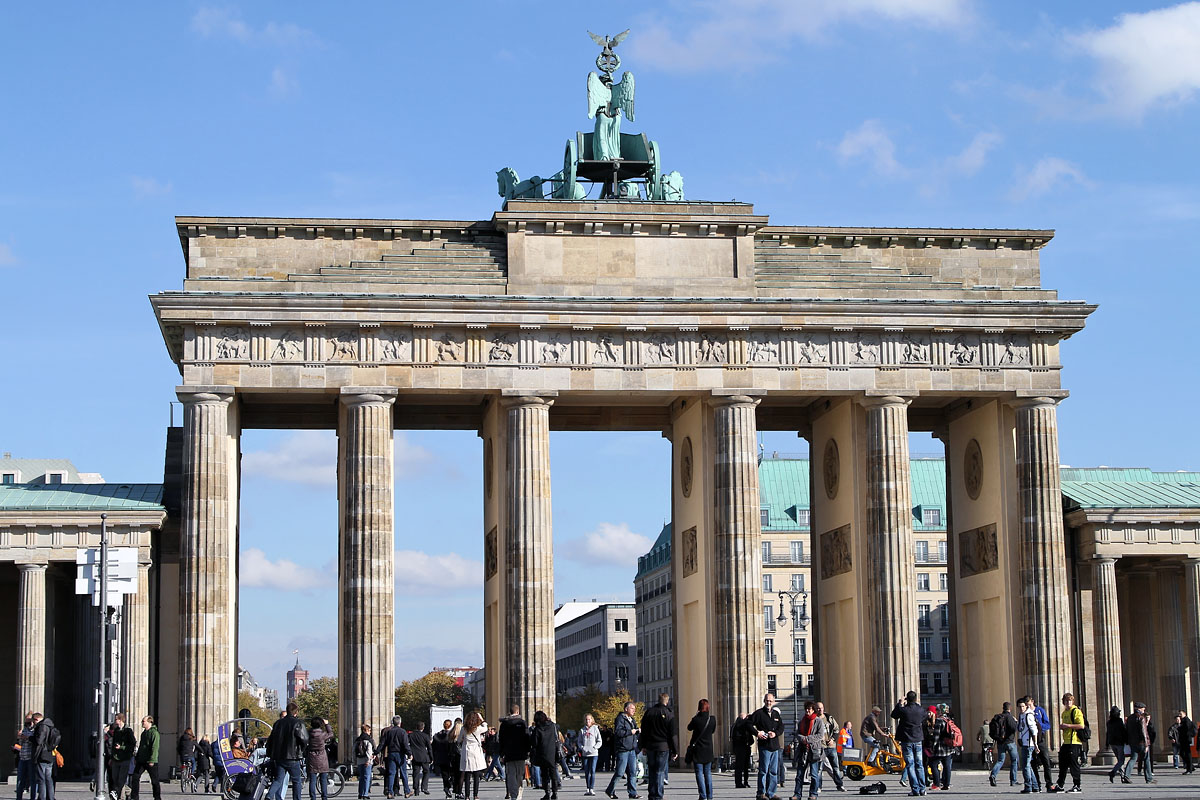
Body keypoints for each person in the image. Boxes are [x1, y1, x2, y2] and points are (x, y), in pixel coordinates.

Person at [268, 703, 310, 800]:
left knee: (278, 779)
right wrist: (301, 750)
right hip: (293, 756)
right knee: (296, 780)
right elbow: (304, 738)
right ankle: (297, 798)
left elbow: (271, 739)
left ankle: (269, 795)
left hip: (279, 756)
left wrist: (271, 753)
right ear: (296, 712)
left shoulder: (278, 723)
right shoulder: (298, 723)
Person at [641, 694, 677, 800]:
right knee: (660, 771)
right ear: (667, 701)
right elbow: (672, 734)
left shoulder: (649, 712)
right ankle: (658, 794)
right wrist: (675, 750)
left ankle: (652, 794)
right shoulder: (669, 714)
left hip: (651, 746)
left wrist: (643, 745)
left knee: (652, 770)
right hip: (663, 746)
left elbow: (644, 730)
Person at [891, 691, 926, 798]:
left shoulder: (904, 710)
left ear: (907, 699)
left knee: (910, 765)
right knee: (919, 765)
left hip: (907, 740)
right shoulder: (920, 710)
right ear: (915, 699)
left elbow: (893, 715)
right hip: (918, 739)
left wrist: (899, 704)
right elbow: (924, 717)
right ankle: (922, 789)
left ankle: (915, 789)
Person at [750, 694, 785, 800]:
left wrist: (775, 733)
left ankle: (771, 792)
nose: (768, 703)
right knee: (763, 770)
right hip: (764, 746)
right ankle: (761, 793)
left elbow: (781, 727)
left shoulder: (775, 714)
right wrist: (757, 733)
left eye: (770, 701)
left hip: (775, 746)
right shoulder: (759, 713)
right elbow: (748, 724)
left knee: (774, 771)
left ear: (773, 701)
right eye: (767, 701)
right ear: (764, 701)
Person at [1048, 692, 1083, 794]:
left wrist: (1068, 726)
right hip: (1066, 741)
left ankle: (1077, 785)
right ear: (1063, 702)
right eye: (1066, 701)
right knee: (1062, 764)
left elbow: (1081, 726)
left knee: (1074, 764)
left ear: (1073, 701)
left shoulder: (1076, 711)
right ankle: (1060, 784)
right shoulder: (1064, 713)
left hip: (1074, 742)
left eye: (1070, 701)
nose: (1068, 703)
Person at [603, 702, 640, 800]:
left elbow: (634, 731)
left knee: (632, 772)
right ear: (626, 709)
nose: (634, 710)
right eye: (632, 708)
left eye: (634, 708)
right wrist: (629, 732)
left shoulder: (632, 720)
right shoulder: (620, 719)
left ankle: (633, 793)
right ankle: (610, 790)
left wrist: (637, 731)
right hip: (623, 749)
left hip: (631, 749)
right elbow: (618, 732)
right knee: (620, 772)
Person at [791, 700, 826, 800]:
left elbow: (820, 735)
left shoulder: (818, 721)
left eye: (809, 709)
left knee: (814, 775)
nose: (807, 710)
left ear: (813, 710)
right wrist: (801, 738)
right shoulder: (803, 720)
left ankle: (813, 794)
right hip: (803, 750)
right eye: (806, 709)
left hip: (814, 751)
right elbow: (797, 733)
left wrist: (807, 739)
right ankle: (797, 794)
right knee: (799, 775)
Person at [498, 706, 530, 800]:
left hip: (509, 753)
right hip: (521, 753)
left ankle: (513, 794)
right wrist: (527, 751)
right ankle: (519, 792)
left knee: (511, 775)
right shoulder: (522, 723)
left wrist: (501, 753)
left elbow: (501, 739)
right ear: (518, 711)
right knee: (519, 774)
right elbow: (527, 737)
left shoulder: (504, 724)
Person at [686, 700, 715, 800]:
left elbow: (689, 728)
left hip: (698, 750)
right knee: (708, 773)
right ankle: (710, 795)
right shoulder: (712, 719)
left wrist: (696, 715)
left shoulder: (696, 719)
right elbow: (713, 730)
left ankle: (703, 795)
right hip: (708, 750)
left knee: (699, 773)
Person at [813, 701, 844, 794]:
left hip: (831, 746)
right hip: (820, 747)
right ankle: (819, 787)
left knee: (835, 767)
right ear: (815, 709)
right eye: (818, 708)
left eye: (821, 708)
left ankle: (840, 785)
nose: (820, 710)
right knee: (819, 769)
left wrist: (833, 739)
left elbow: (836, 729)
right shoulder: (814, 719)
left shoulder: (829, 718)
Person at [380, 716, 413, 799]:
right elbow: (405, 744)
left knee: (391, 773)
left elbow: (382, 744)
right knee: (403, 773)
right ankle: (407, 791)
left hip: (391, 753)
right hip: (400, 754)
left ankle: (390, 792)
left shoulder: (388, 732)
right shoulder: (402, 732)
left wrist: (376, 752)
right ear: (400, 723)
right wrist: (409, 753)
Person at [530, 712, 560, 800]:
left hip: (542, 754)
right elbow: (556, 737)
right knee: (553, 773)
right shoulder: (552, 726)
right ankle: (555, 793)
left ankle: (547, 793)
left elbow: (534, 743)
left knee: (545, 775)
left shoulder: (537, 729)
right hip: (552, 753)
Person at [987, 702, 1019, 787]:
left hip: (1000, 742)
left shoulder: (998, 717)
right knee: (1014, 760)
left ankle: (993, 775)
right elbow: (1014, 728)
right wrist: (1016, 722)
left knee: (1000, 760)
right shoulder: (1009, 717)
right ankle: (1013, 780)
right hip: (1009, 742)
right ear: (1010, 709)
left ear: (1003, 708)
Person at [130, 716, 161, 800]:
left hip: (150, 760)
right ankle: (134, 797)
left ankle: (157, 797)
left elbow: (155, 747)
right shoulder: (144, 733)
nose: (142, 723)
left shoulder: (154, 733)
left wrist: (152, 760)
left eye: (143, 721)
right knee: (135, 777)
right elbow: (141, 747)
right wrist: (137, 758)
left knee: (154, 781)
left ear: (149, 722)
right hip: (141, 760)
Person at [458, 712, 487, 800]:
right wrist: (482, 719)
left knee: (467, 775)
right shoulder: (478, 729)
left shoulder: (464, 729)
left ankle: (467, 796)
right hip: (476, 752)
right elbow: (485, 727)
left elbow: (459, 739)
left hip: (467, 752)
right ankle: (475, 795)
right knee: (476, 775)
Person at [1126, 703, 1156, 785]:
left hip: (1133, 742)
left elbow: (1127, 730)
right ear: (1139, 708)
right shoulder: (1141, 718)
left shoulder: (1130, 718)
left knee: (1133, 758)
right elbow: (1144, 732)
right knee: (1146, 759)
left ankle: (1126, 775)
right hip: (1141, 743)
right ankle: (1149, 778)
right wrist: (1146, 744)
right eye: (1143, 708)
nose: (1144, 710)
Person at [927, 704, 955, 792]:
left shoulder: (939, 721)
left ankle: (936, 783)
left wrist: (933, 746)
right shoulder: (949, 720)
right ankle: (946, 784)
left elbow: (936, 735)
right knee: (947, 766)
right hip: (949, 748)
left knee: (933, 764)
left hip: (940, 748)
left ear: (939, 711)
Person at [1028, 695, 1053, 792]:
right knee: (1033, 763)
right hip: (1030, 741)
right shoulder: (1025, 714)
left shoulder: (1040, 711)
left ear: (1032, 702)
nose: (1028, 707)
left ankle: (1049, 784)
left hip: (1040, 740)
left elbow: (1047, 725)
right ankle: (1036, 784)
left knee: (1046, 762)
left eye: (1029, 705)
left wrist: (1038, 724)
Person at [1015, 698, 1039, 795]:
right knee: (1027, 766)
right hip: (1024, 743)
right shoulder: (1022, 715)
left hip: (1029, 744)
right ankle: (1035, 786)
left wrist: (1035, 744)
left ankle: (1028, 786)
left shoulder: (1028, 715)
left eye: (1022, 706)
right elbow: (1021, 729)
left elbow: (1034, 730)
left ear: (1026, 706)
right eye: (1019, 707)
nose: (1021, 708)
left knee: (1025, 766)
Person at [30, 714, 57, 800]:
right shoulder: (50, 726)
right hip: (49, 754)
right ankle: (51, 797)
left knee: (41, 779)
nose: (33, 723)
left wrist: (30, 738)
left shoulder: (42, 726)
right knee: (48, 778)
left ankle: (42, 797)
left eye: (33, 721)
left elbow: (39, 741)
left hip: (41, 755)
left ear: (36, 719)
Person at [111, 714, 137, 800]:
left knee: (121, 779)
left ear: (120, 720)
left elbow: (132, 744)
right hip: (116, 758)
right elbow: (113, 744)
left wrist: (121, 747)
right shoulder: (116, 731)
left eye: (116, 719)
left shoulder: (128, 731)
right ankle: (128, 791)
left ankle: (120, 797)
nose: (115, 721)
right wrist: (112, 757)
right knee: (115, 778)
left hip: (125, 758)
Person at [306, 717, 333, 800]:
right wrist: (327, 724)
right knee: (323, 780)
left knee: (312, 780)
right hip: (322, 758)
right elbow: (331, 734)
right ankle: (324, 797)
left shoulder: (308, 734)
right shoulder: (323, 734)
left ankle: (313, 797)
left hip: (312, 757)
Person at [431, 720, 458, 800]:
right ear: (450, 726)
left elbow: (433, 748)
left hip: (440, 758)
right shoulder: (451, 735)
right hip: (450, 758)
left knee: (445, 775)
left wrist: (434, 758)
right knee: (453, 774)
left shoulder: (436, 736)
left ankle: (446, 788)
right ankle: (452, 787)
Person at [16, 713, 39, 800]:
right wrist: (19, 738)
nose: (27, 723)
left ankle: (33, 797)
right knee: (20, 780)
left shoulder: (35, 730)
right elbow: (21, 743)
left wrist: (27, 738)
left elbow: (35, 741)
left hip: (31, 757)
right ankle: (18, 797)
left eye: (29, 721)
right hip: (22, 757)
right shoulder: (24, 730)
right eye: (26, 721)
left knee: (33, 780)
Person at [1105, 706, 1130, 784]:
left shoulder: (1109, 722)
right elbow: (1123, 731)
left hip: (1112, 743)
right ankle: (1113, 772)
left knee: (1119, 761)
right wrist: (1127, 740)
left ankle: (1122, 777)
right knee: (1121, 761)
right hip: (1119, 743)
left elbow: (1107, 733)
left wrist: (1106, 744)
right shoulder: (1119, 721)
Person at [579, 714, 602, 797]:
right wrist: (582, 748)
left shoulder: (595, 729)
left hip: (594, 753)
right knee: (586, 771)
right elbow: (579, 742)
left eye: (589, 719)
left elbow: (599, 741)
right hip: (585, 753)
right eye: (586, 720)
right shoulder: (582, 730)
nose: (587, 721)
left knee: (592, 770)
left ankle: (591, 788)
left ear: (592, 720)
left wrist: (595, 747)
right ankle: (588, 788)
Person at [730, 714, 753, 790]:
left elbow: (732, 737)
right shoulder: (744, 726)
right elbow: (750, 738)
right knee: (746, 766)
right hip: (745, 747)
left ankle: (738, 782)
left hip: (737, 747)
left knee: (738, 766)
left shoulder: (733, 726)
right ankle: (745, 781)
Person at [410, 723, 433, 796]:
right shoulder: (425, 736)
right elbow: (429, 748)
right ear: (423, 728)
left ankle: (416, 789)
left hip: (415, 756)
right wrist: (431, 757)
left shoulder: (411, 735)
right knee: (426, 771)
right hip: (424, 756)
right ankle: (424, 787)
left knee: (416, 773)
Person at [354, 724, 376, 800]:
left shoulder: (358, 740)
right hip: (366, 761)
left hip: (359, 760)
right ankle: (365, 794)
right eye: (369, 730)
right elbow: (369, 751)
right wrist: (369, 760)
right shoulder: (368, 740)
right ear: (365, 730)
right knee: (367, 777)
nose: (370, 732)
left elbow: (354, 750)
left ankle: (360, 793)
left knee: (361, 778)